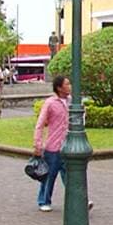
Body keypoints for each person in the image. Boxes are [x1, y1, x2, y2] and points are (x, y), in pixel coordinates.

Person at [33, 75, 94, 213]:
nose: (70, 86)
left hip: (69, 145)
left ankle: (81, 200)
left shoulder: (72, 102)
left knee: (72, 176)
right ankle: (44, 200)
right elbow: (40, 124)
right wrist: (37, 144)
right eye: (67, 84)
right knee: (49, 176)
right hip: (53, 147)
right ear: (59, 87)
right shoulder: (50, 103)